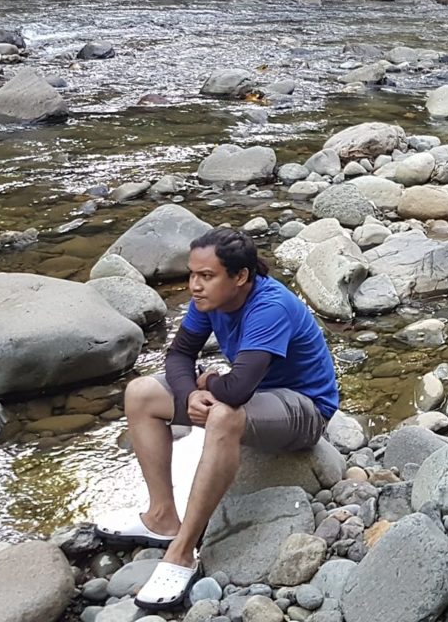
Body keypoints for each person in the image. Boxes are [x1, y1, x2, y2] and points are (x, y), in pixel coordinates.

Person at [95, 228, 339, 610]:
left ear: (240, 277)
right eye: (192, 274)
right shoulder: (208, 300)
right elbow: (178, 356)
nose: (194, 285)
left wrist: (209, 382)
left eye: (205, 276)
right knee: (140, 393)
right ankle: (161, 517)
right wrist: (191, 393)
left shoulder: (269, 306)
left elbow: (237, 389)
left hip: (305, 410)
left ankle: (182, 551)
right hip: (255, 398)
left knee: (224, 414)